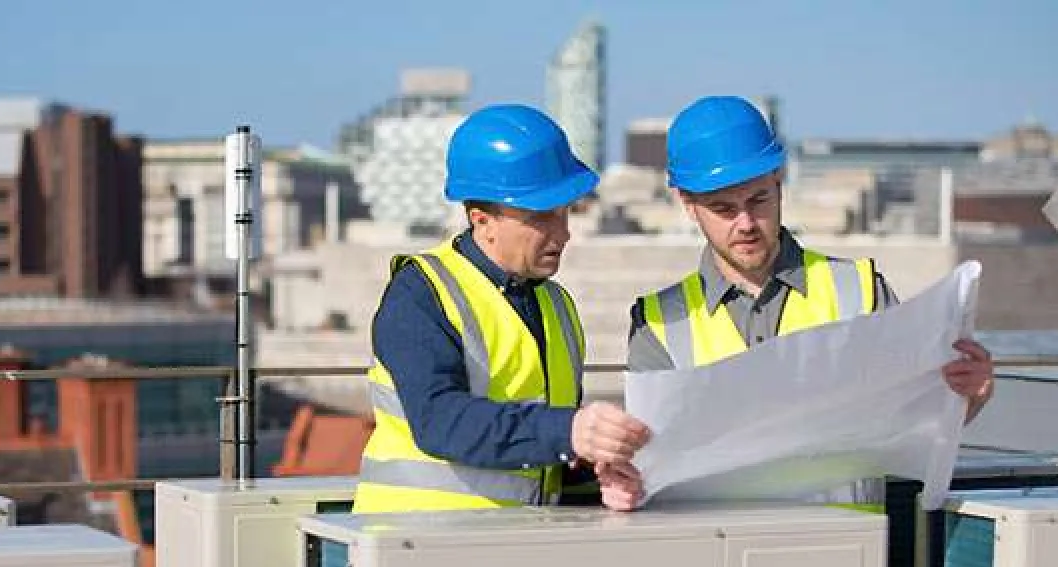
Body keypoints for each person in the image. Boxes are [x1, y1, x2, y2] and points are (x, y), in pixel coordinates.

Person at [601, 95, 995, 511]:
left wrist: (965, 399)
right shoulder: (659, 324)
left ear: (778, 180)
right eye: (723, 209)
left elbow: (910, 430)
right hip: (721, 554)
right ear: (687, 204)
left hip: (849, 550)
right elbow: (649, 465)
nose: (746, 224)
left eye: (759, 200)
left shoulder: (859, 290)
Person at [352, 103, 652, 513]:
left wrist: (598, 477)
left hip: (512, 544)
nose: (562, 233)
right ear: (482, 221)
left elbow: (541, 456)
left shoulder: (556, 304)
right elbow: (440, 421)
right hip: (413, 543)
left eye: (565, 213)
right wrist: (569, 432)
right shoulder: (421, 292)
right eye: (541, 217)